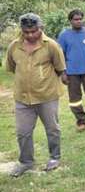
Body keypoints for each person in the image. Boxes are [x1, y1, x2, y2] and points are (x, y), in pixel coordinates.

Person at [6, 13, 66, 177]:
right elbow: (11, 67)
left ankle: (54, 157)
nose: (31, 35)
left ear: (41, 28)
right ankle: (26, 162)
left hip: (47, 96)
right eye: (26, 32)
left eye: (34, 31)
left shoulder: (51, 45)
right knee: (22, 132)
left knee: (52, 129)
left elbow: (60, 68)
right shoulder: (14, 46)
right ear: (22, 30)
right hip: (23, 98)